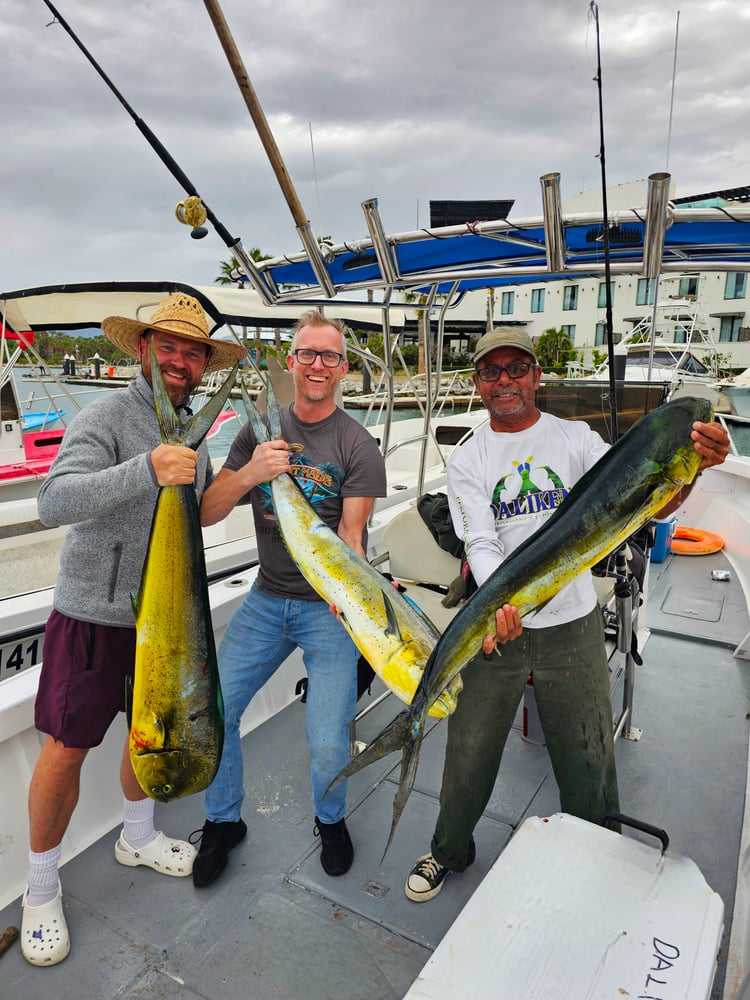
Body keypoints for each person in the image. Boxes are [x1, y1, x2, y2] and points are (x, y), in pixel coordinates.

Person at [404, 326, 731, 903]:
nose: (504, 381)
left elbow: (641, 500)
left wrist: (694, 468)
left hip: (573, 624)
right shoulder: (469, 457)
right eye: (490, 371)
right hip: (497, 630)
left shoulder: (577, 439)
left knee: (589, 756)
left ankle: (598, 851)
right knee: (468, 750)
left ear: (536, 375)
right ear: (478, 382)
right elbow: (479, 542)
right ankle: (449, 850)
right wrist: (497, 602)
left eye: (516, 368)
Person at [21, 292, 246, 967]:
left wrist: (242, 478)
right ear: (143, 350)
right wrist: (145, 467)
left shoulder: (194, 428)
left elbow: (194, 514)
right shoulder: (104, 417)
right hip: (95, 616)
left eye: (193, 351)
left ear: (204, 364)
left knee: (154, 733)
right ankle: (38, 889)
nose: (181, 360)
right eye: (169, 347)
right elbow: (52, 501)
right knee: (66, 749)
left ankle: (138, 835)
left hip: (169, 623)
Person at [192, 309, 386, 887]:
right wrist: (251, 471)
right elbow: (206, 511)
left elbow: (351, 539)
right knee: (214, 711)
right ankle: (223, 821)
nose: (318, 364)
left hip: (327, 608)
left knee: (328, 741)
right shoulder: (258, 429)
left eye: (330, 355)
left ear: (344, 367)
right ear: (292, 361)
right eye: (308, 353)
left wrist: (351, 600)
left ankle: (331, 820)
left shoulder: (358, 446)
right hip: (265, 599)